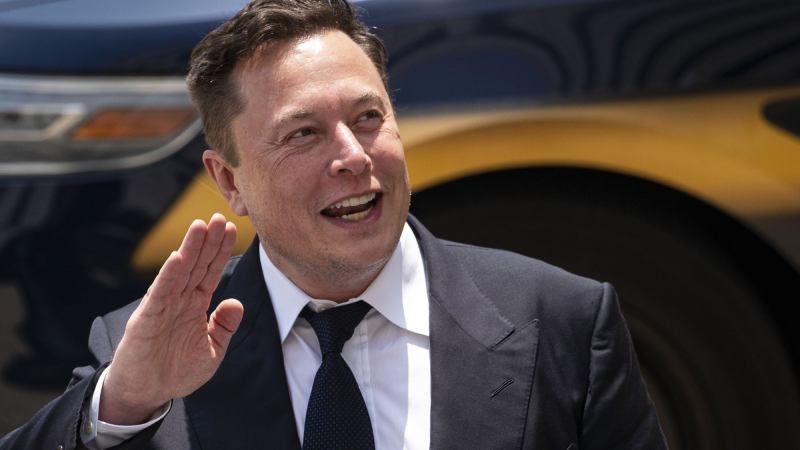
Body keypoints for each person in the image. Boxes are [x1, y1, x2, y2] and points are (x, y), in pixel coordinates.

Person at [0, 0, 667, 449]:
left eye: (368, 117)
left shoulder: (564, 321)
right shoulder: (140, 354)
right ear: (229, 181)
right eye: (303, 134)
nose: (353, 155)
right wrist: (124, 404)